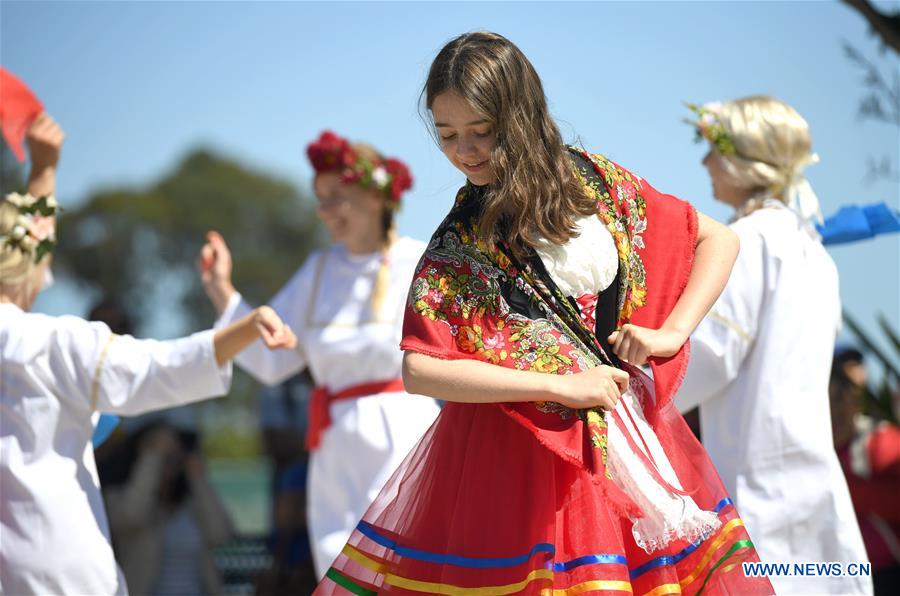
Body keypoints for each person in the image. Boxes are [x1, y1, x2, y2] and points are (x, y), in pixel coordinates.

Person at [316, 32, 773, 595]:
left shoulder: (597, 183)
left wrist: (670, 332)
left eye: (480, 132)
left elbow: (717, 239)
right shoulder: (460, 242)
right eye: (448, 135)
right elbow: (421, 369)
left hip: (626, 435)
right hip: (522, 455)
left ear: (521, 114)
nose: (464, 151)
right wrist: (562, 387)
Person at [0, 115, 297, 596]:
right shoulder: (49, 343)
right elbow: (160, 370)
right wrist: (243, 328)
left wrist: (44, 173)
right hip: (53, 574)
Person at [199, 131, 441, 577]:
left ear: (374, 196)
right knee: (338, 567)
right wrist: (223, 293)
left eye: (336, 197)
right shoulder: (318, 271)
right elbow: (274, 360)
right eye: (320, 199)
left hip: (403, 432)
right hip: (332, 444)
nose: (324, 211)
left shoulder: (418, 260)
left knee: (404, 565)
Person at [676, 96, 872, 594]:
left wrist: (634, 396)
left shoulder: (747, 240)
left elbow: (713, 353)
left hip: (755, 477)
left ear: (744, 159)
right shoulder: (812, 247)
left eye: (713, 151)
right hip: (811, 472)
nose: (704, 164)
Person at [103, 422, 234, 596]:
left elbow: (220, 534)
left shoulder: (191, 503)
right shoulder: (116, 497)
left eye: (174, 448)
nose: (169, 455)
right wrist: (151, 459)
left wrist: (198, 479)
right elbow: (131, 516)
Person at [830, 345, 900, 594]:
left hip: (884, 577)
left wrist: (839, 486)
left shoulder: (880, 441)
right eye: (831, 398)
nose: (837, 410)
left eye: (844, 397)